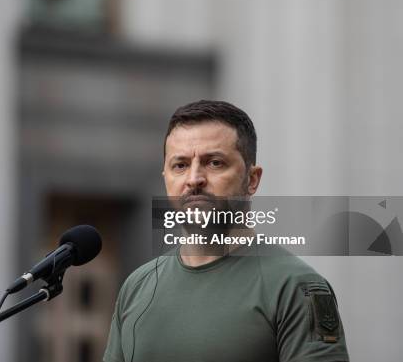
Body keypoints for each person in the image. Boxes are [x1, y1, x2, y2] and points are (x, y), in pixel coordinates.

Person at [103, 100, 349, 362]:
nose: (194, 179)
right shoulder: (136, 287)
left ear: (252, 180)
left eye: (215, 163)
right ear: (165, 176)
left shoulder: (297, 288)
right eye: (180, 165)